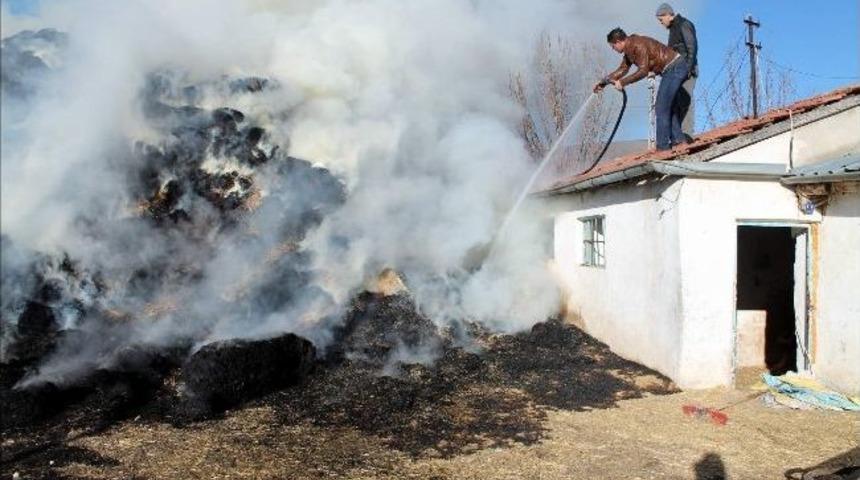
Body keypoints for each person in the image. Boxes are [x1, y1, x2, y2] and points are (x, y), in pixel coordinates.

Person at [594, 28, 689, 151]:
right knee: (667, 106)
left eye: (613, 46)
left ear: (618, 42)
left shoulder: (638, 44)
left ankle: (662, 148)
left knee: (661, 107)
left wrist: (622, 82)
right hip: (670, 70)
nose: (613, 49)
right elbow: (622, 69)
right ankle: (679, 141)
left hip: (675, 68)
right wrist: (603, 82)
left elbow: (643, 71)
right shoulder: (629, 49)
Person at [656, 3, 698, 139]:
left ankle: (687, 134)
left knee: (685, 101)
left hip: (686, 69)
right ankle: (677, 136)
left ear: (667, 14)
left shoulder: (684, 24)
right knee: (673, 101)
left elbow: (692, 47)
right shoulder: (673, 30)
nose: (661, 23)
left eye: (661, 20)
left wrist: (689, 69)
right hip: (675, 71)